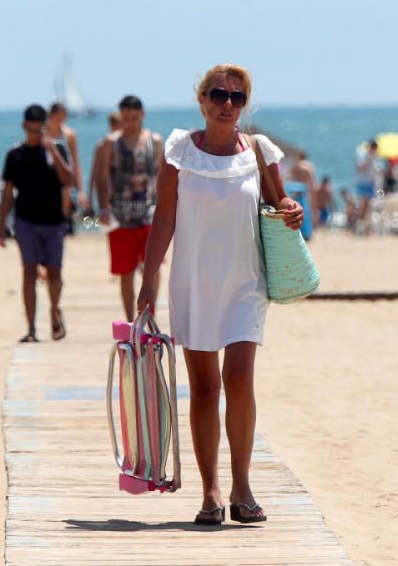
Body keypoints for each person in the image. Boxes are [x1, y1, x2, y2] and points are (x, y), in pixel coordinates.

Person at [136, 64, 304, 526]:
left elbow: (278, 203)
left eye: (237, 98)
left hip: (246, 283)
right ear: (202, 100)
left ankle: (242, 486)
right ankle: (210, 490)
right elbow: (164, 220)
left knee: (241, 379)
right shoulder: (177, 153)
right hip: (193, 281)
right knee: (206, 387)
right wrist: (148, 280)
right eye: (218, 94)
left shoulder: (259, 152)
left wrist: (293, 210)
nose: (227, 104)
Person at [0, 104, 75, 343]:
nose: (34, 134)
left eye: (38, 129)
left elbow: (68, 180)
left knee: (54, 274)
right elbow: (8, 192)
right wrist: (1, 225)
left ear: (45, 127)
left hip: (54, 222)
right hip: (25, 221)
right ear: (23, 127)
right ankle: (31, 328)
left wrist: (51, 149)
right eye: (30, 129)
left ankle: (54, 310)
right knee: (29, 273)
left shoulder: (57, 148)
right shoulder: (15, 154)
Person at [95, 95, 163, 323]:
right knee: (126, 272)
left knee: (151, 269)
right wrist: (103, 207)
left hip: (148, 217)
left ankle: (149, 316)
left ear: (142, 115)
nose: (130, 122)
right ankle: (131, 320)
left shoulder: (155, 141)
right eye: (125, 118)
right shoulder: (110, 143)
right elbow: (102, 178)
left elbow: (162, 178)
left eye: (134, 117)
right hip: (120, 217)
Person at [46, 103, 86, 226]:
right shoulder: (43, 133)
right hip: (46, 175)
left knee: (64, 208)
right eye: (57, 117)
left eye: (62, 117)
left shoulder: (69, 135)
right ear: (50, 115)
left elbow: (75, 162)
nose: (60, 120)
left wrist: (80, 190)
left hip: (65, 176)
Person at [86, 112, 123, 217]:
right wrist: (90, 198)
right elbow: (94, 173)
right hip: (106, 192)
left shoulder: (126, 145)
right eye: (116, 124)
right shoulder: (102, 145)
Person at [355, 140, 382, 228]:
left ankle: (364, 223)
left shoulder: (375, 157)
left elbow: (376, 171)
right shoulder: (363, 155)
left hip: (371, 183)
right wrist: (369, 159)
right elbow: (360, 168)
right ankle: (360, 222)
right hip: (363, 182)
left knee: (368, 204)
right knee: (364, 203)